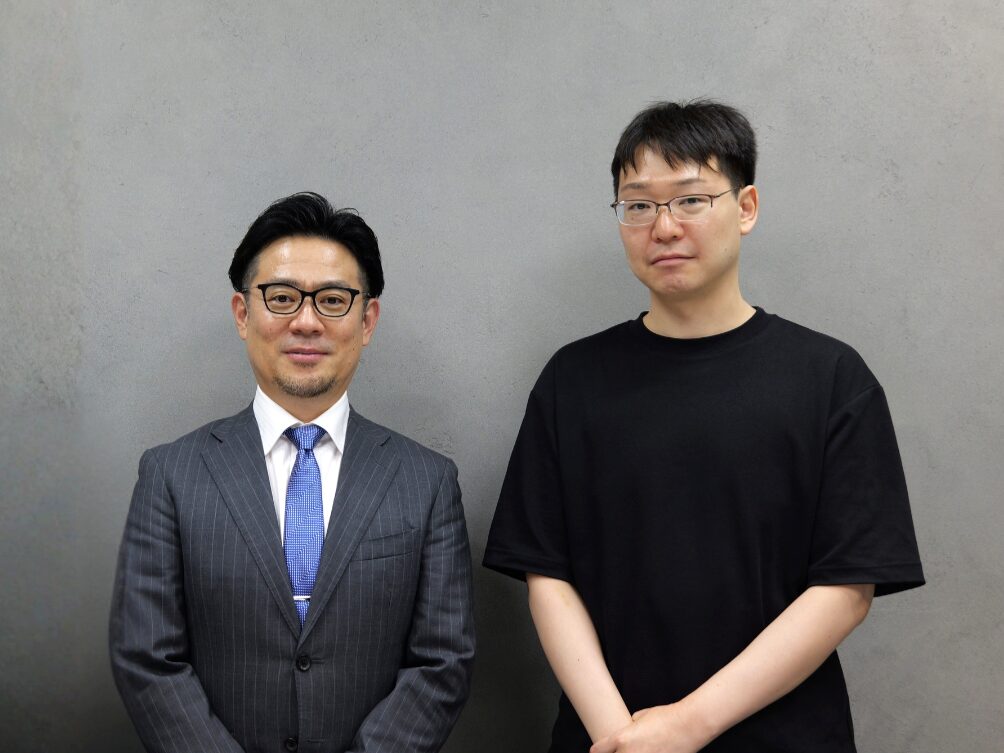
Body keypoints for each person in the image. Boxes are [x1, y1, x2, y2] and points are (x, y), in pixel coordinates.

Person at [483, 101, 924, 753]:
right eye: (638, 205)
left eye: (690, 200)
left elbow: (846, 588)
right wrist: (621, 736)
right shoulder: (571, 380)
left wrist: (688, 726)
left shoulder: (832, 378)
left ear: (746, 207)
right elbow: (547, 574)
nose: (663, 227)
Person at [110, 192, 475, 753]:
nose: (306, 322)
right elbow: (146, 657)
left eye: (332, 300)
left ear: (367, 319)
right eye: (281, 298)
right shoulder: (170, 475)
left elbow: (442, 661)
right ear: (243, 314)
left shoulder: (427, 482)